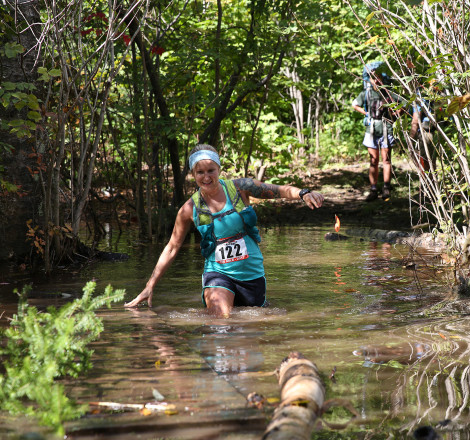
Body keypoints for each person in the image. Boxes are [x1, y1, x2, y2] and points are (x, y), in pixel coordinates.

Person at [125, 144, 324, 317]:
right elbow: (171, 247)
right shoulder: (189, 209)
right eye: (200, 172)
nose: (206, 177)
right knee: (220, 321)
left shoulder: (240, 188)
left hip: (252, 275)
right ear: (193, 175)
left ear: (219, 169)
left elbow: (278, 190)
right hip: (218, 274)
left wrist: (303, 194)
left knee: (250, 330)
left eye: (211, 170)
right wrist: (149, 285)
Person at [352, 63, 404, 202]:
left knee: (386, 159)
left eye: (378, 77)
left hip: (387, 127)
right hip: (372, 129)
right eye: (373, 78)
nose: (376, 80)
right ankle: (373, 189)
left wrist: (397, 112)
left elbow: (403, 103)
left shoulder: (388, 93)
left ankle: (386, 188)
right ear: (369, 79)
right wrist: (367, 114)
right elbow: (355, 104)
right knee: (373, 160)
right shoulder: (367, 93)